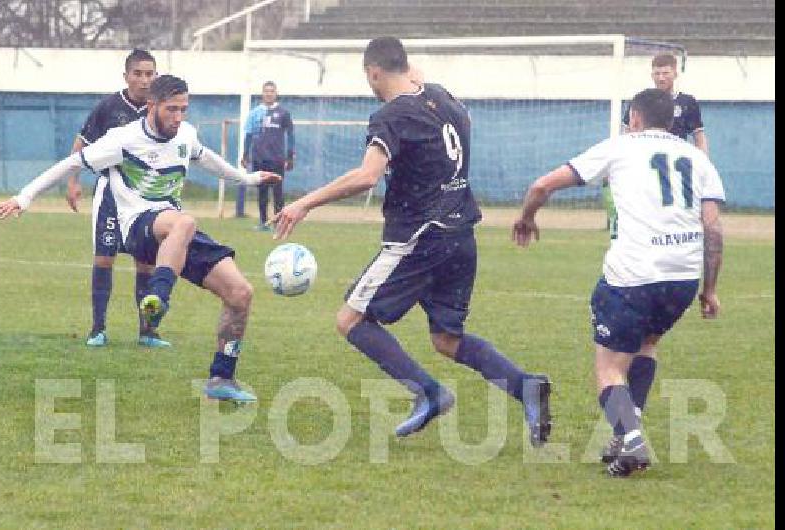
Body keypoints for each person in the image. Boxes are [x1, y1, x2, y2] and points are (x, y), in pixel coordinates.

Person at [272, 37, 552, 444]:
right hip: (461, 234)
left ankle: (430, 393)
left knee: (350, 320)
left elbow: (367, 176)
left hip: (420, 238)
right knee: (446, 339)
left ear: (373, 72)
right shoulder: (442, 97)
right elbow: (444, 107)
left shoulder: (390, 116)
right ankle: (524, 386)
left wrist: (304, 204)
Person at [0, 75, 282, 403]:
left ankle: (222, 376)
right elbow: (71, 163)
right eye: (171, 109)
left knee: (240, 293)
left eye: (184, 109)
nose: (178, 117)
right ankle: (158, 299)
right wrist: (24, 197)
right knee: (184, 222)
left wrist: (248, 178)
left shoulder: (185, 135)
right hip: (139, 229)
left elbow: (209, 160)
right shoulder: (123, 139)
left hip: (174, 235)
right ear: (151, 106)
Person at [513, 88, 725, 476]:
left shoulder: (621, 147)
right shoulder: (699, 159)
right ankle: (626, 431)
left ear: (636, 119)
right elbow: (713, 229)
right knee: (646, 344)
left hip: (634, 274)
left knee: (609, 367)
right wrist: (709, 289)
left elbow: (543, 185)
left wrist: (526, 217)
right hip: (681, 277)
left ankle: (631, 441)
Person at [66, 48, 169, 347]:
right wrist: (73, 181)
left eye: (149, 74)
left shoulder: (159, 109)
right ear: (126, 76)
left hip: (146, 198)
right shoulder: (109, 107)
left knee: (146, 264)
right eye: (137, 73)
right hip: (111, 193)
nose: (144, 79)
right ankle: (98, 329)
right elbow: (82, 143)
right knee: (104, 258)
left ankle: (147, 332)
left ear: (156, 76)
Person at [605, 53, 710, 235]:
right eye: (657, 73)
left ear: (675, 73)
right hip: (646, 165)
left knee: (675, 209)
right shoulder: (641, 101)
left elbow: (698, 136)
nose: (661, 77)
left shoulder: (687, 102)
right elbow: (627, 133)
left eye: (666, 73)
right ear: (652, 75)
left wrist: (704, 164)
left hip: (674, 167)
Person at [238, 81, 295, 231]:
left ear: (276, 93)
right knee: (262, 192)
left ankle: (278, 223)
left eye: (271, 91)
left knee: (278, 192)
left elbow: (290, 135)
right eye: (266, 91)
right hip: (259, 158)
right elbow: (248, 134)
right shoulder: (255, 113)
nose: (269, 94)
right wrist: (245, 154)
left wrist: (290, 156)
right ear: (262, 94)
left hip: (276, 158)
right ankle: (263, 223)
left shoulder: (283, 113)